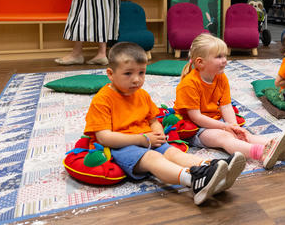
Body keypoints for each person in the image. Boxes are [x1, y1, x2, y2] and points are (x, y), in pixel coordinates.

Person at [83, 42, 239, 205]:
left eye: (141, 73)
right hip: (122, 147)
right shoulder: (103, 100)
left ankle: (213, 167)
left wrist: (158, 132)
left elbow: (152, 119)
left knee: (174, 153)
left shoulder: (141, 95)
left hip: (147, 139)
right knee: (153, 157)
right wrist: (141, 139)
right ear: (110, 73)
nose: (136, 80)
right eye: (128, 73)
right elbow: (104, 137)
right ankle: (193, 180)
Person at [175, 34, 285, 170]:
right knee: (225, 137)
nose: (225, 60)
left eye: (225, 56)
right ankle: (261, 153)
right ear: (200, 62)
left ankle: (277, 146)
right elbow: (196, 117)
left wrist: (233, 125)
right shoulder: (189, 84)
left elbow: (226, 106)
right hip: (196, 128)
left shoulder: (221, 77)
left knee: (243, 134)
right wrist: (225, 127)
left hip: (215, 120)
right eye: (219, 57)